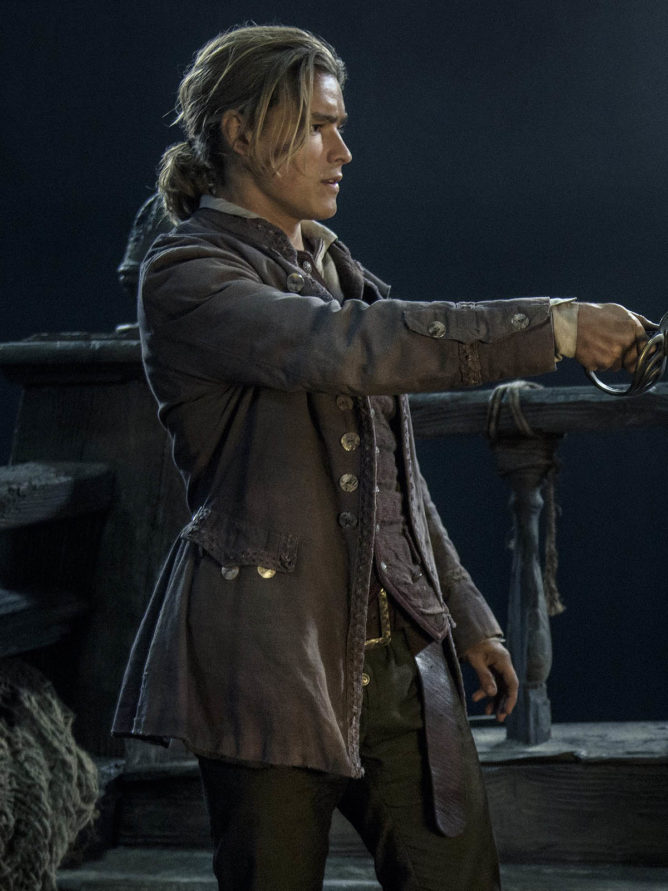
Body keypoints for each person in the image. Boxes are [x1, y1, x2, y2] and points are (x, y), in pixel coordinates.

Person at [112, 24, 648, 891]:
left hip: (402, 658)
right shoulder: (187, 273)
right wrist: (554, 326)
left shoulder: (335, 270)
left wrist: (465, 614)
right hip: (267, 660)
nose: (344, 151)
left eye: (341, 124)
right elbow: (346, 347)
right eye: (318, 126)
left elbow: (392, 477)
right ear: (240, 132)